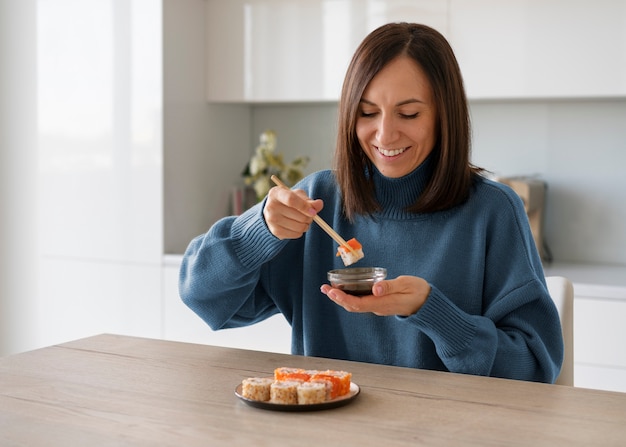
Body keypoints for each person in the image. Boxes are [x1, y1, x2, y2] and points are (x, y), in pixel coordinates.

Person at [179, 23, 563, 383]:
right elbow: (202, 297)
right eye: (367, 112)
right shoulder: (319, 202)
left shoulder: (492, 212)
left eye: (408, 113)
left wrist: (432, 312)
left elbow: (534, 368)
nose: (384, 133)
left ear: (444, 116)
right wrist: (257, 230)